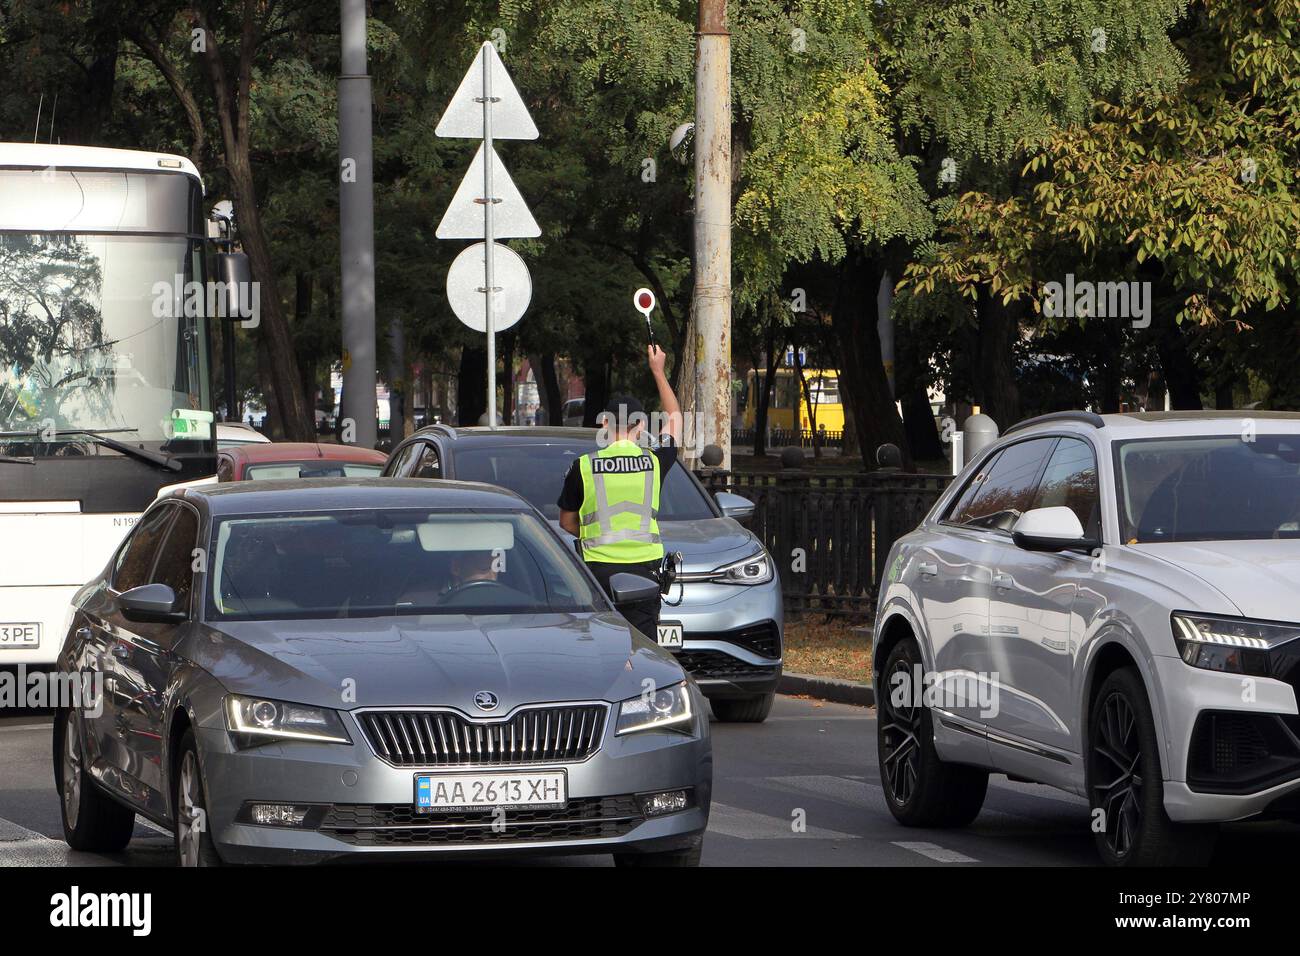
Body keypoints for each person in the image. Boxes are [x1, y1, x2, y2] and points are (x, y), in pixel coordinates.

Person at [558, 344, 682, 640]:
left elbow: (566, 522)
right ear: (640, 426)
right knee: (643, 648)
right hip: (644, 573)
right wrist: (658, 371)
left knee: (603, 644)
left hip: (598, 573)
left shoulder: (584, 466)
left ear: (604, 423)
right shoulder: (653, 462)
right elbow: (675, 416)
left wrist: (594, 535)